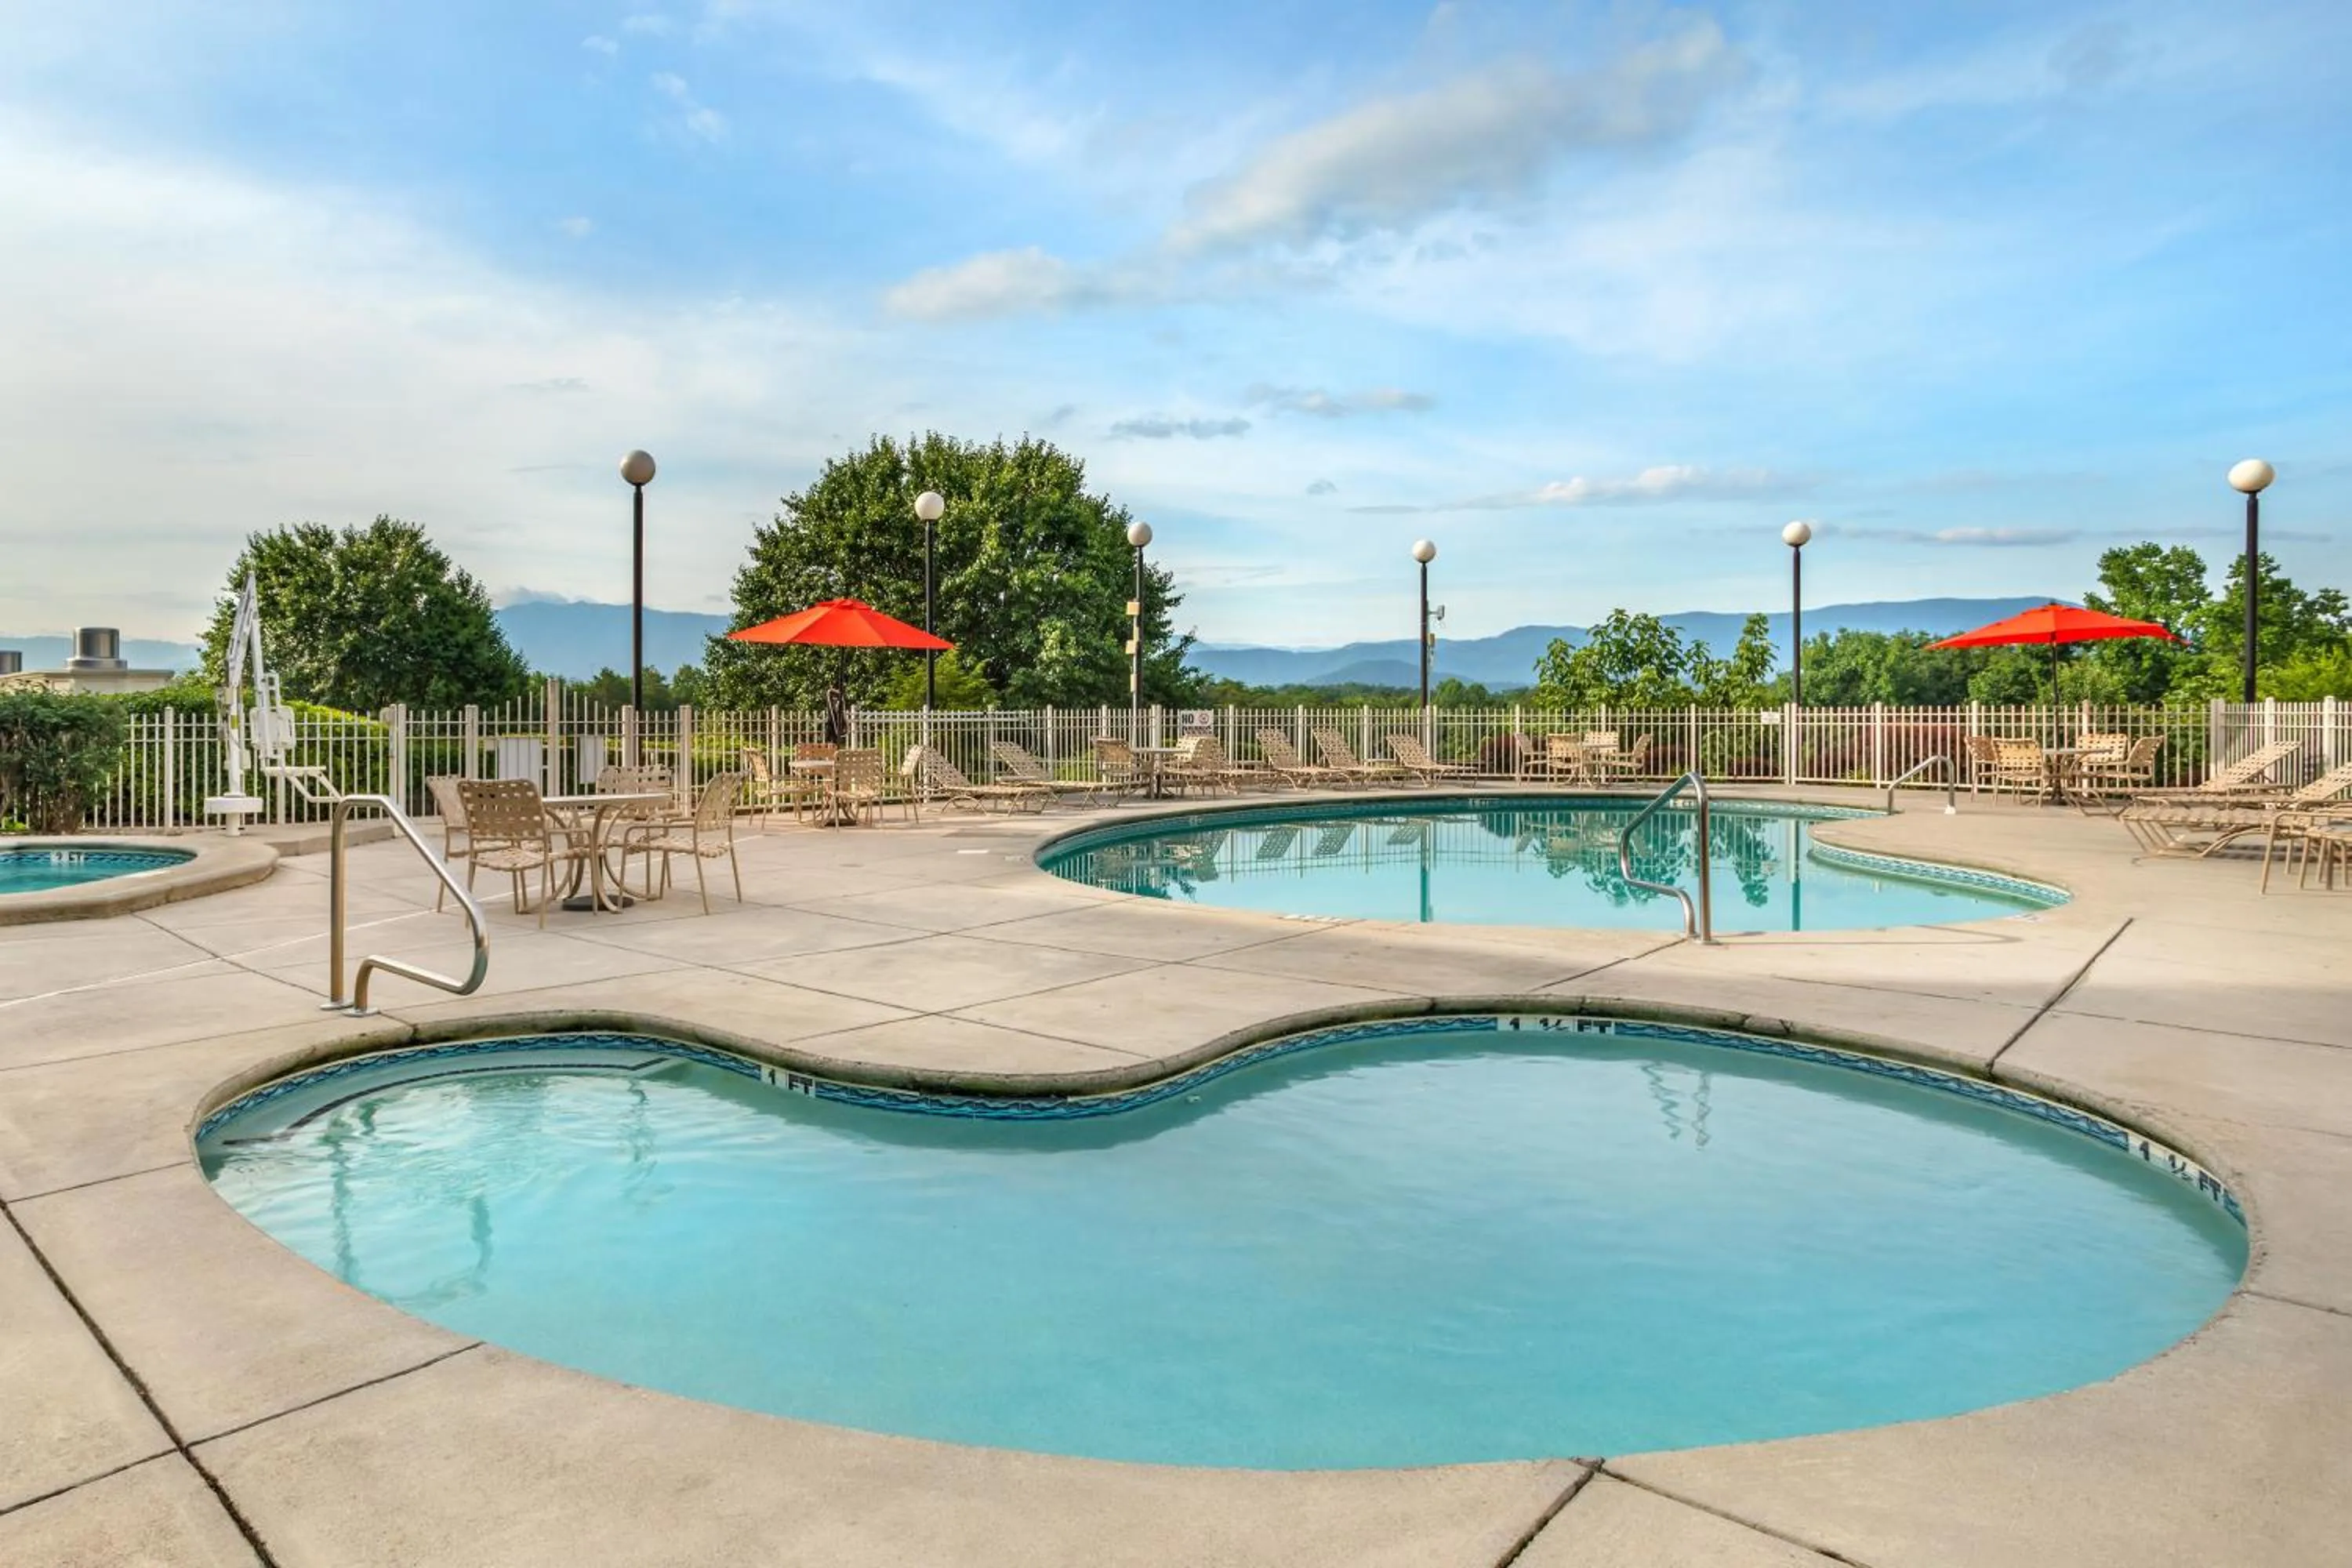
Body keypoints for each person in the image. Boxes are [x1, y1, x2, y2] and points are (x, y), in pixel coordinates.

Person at [822, 682, 849, 746]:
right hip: (831, 718)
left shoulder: (840, 696)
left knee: (836, 735)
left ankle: (835, 744)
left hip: (838, 719)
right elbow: (830, 692)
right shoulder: (830, 693)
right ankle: (829, 743)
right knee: (830, 728)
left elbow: (842, 708)